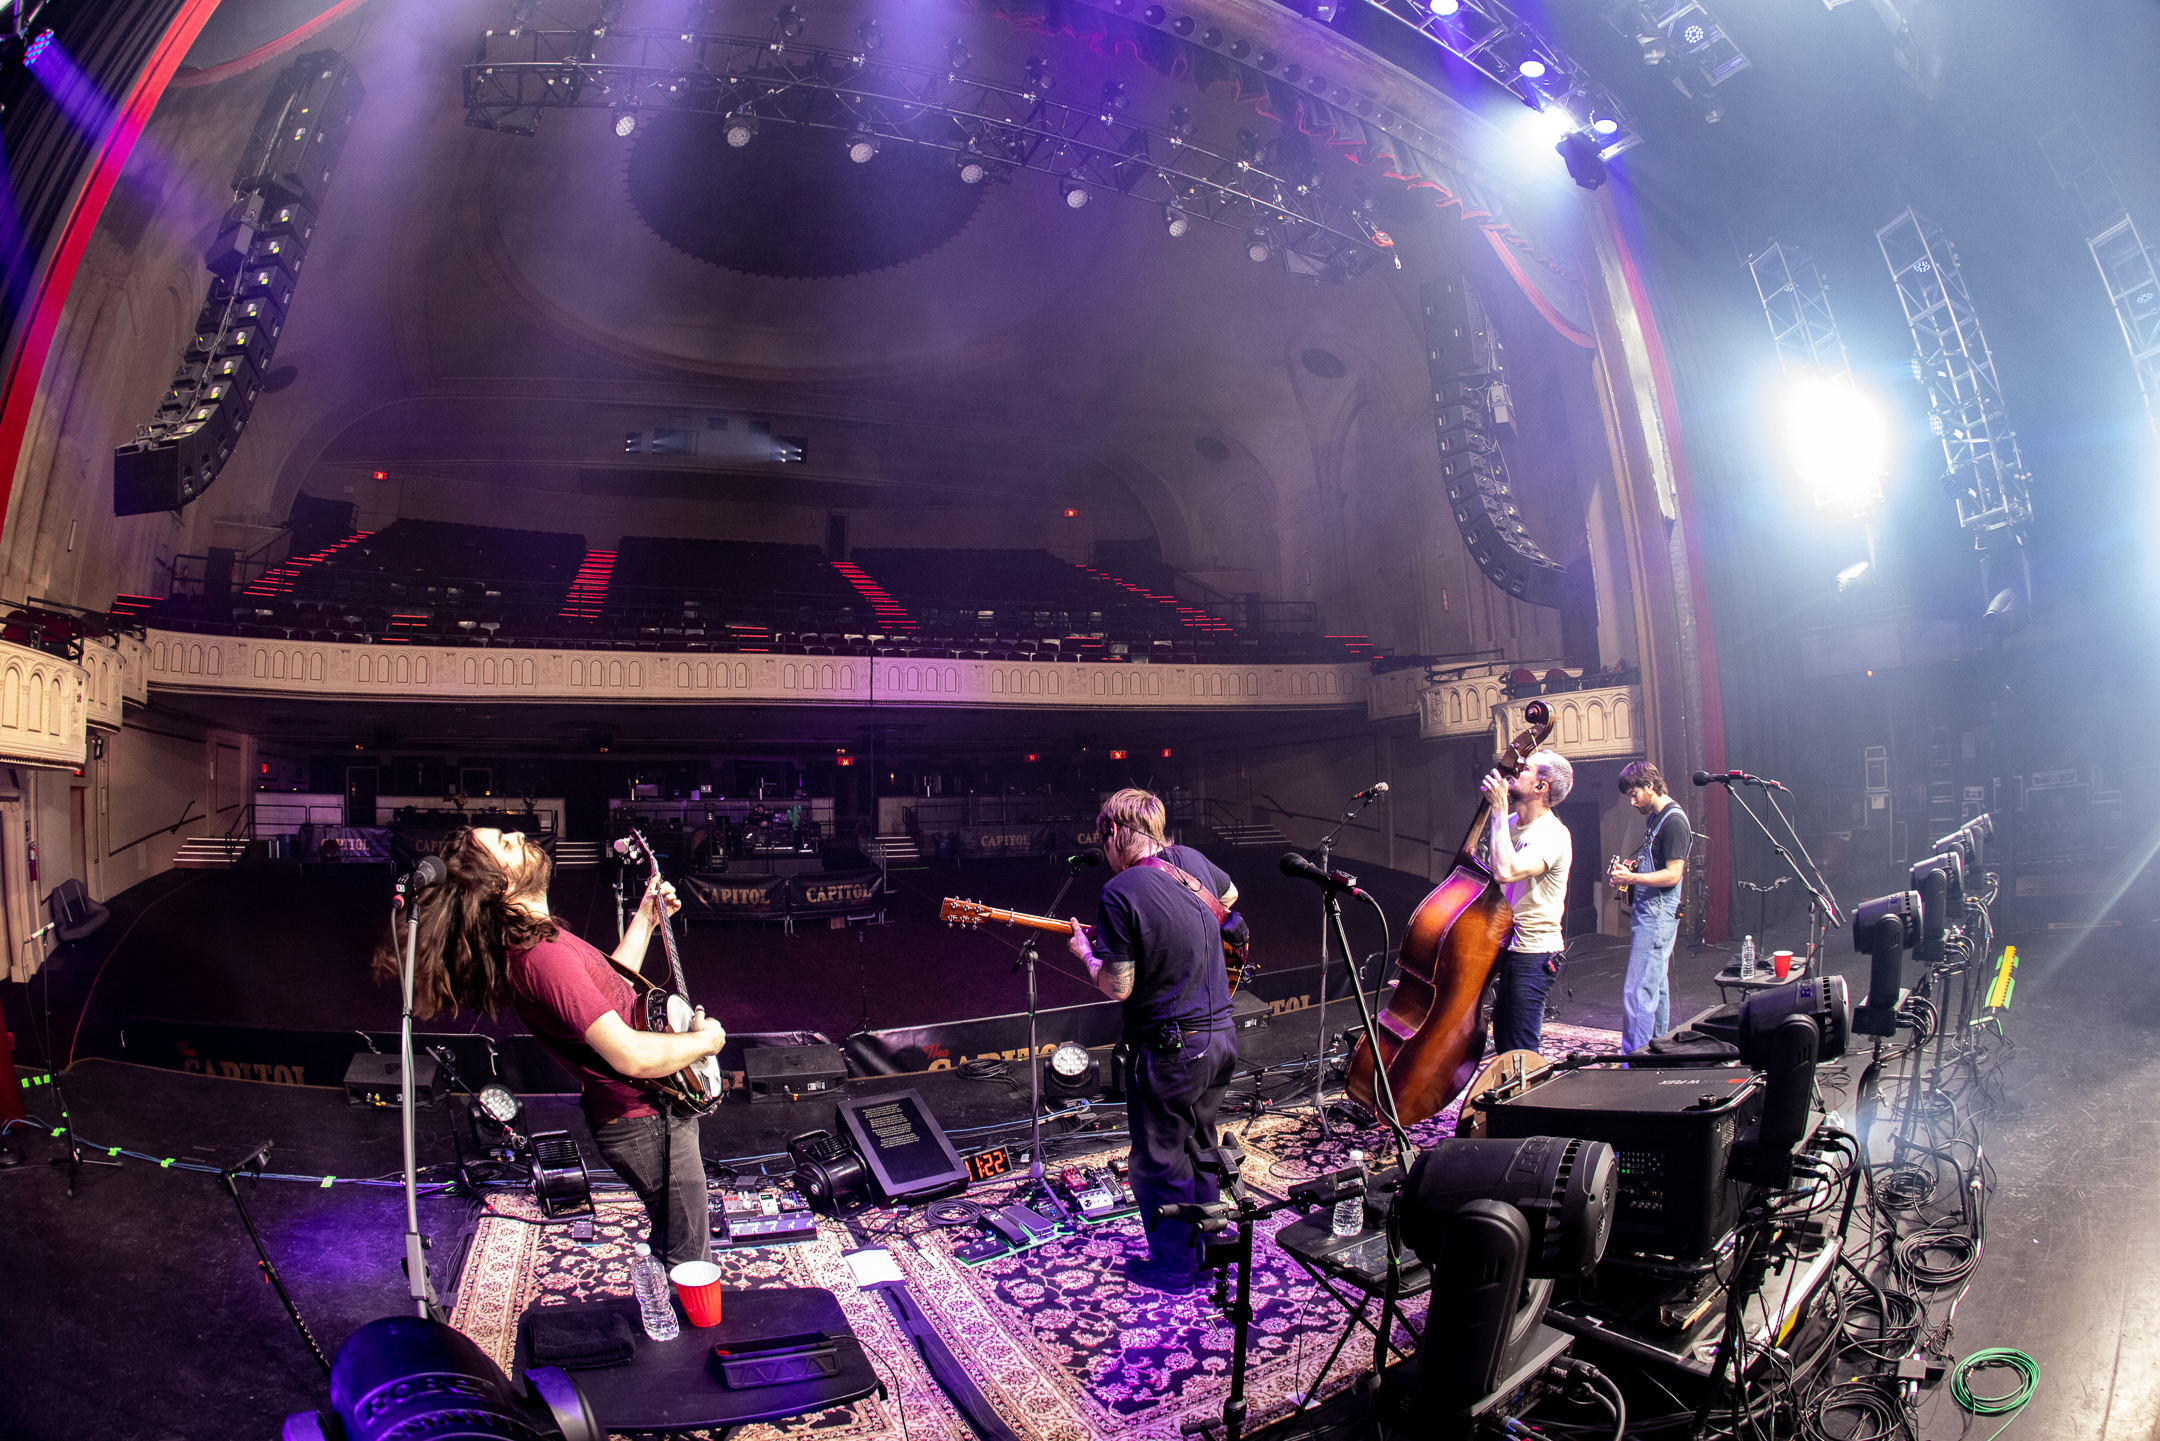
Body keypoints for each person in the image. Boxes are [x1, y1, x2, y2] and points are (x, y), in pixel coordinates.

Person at [376, 826, 724, 1265]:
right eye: (505, 843)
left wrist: (646, 919)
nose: (519, 834)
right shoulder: (543, 957)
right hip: (647, 1120)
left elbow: (609, 989)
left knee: (677, 1241)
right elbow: (631, 1055)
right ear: (499, 884)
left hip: (640, 1118)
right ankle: (675, 1325)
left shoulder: (539, 943)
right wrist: (705, 1040)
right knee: (688, 1257)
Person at [1066, 788, 1240, 1294]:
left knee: (1158, 1160)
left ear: (1118, 833)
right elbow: (1228, 901)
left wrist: (1086, 955)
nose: (1105, 853)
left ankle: (1173, 1270)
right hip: (1221, 1037)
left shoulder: (1121, 892)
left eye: (1105, 839)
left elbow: (1118, 985)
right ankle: (1208, 1252)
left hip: (1170, 1049)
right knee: (1201, 1144)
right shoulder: (1191, 861)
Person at [1478, 749, 1575, 1056]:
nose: (1514, 769)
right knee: (1504, 1038)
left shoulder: (1553, 834)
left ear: (1540, 787)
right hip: (1505, 942)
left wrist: (1496, 810)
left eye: (1525, 768)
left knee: (1520, 1047)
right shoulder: (1508, 822)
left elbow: (1507, 871)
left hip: (1534, 951)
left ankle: (1529, 1100)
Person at [1606, 762, 1692, 1054]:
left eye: (1634, 794)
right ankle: (1658, 1051)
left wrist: (1632, 877)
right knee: (1656, 986)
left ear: (1650, 786)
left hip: (1657, 918)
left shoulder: (1674, 822)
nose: (1632, 802)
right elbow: (1653, 864)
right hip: (1648, 914)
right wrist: (1628, 872)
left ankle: (1634, 1061)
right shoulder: (1655, 818)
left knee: (1638, 991)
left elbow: (1673, 874)